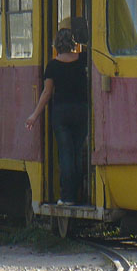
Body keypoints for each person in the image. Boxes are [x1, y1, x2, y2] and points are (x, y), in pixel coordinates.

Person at [25, 27, 88, 205]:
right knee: (77, 153)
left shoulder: (52, 66)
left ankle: (67, 197)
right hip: (81, 110)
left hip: (61, 113)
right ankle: (79, 194)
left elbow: (47, 93)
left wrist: (34, 115)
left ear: (56, 45)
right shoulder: (83, 60)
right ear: (73, 44)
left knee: (66, 154)